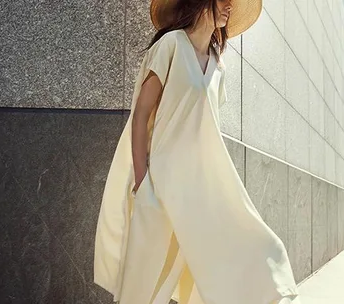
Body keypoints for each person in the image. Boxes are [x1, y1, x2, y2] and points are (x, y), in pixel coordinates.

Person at [94, 0, 301, 303]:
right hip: (160, 184)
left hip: (200, 188)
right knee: (144, 283)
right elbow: (140, 116)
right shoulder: (171, 45)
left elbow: (208, 130)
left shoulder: (218, 64)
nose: (230, 6)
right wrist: (142, 181)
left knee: (254, 248)